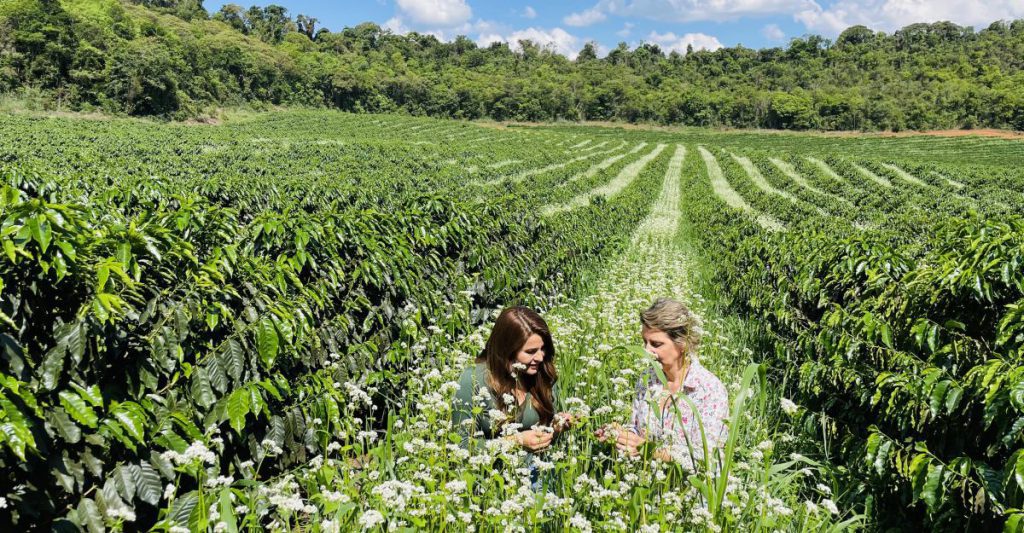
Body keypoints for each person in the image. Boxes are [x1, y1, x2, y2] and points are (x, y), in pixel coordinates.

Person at [599, 298, 729, 469]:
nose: (646, 351)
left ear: (682, 343)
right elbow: (638, 430)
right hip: (646, 483)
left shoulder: (709, 390)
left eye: (656, 344)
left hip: (690, 490)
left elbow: (706, 457)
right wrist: (620, 435)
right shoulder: (647, 379)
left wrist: (649, 450)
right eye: (644, 342)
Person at [452, 306, 573, 454]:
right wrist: (515, 441)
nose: (540, 357)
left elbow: (547, 433)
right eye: (530, 352)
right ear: (507, 350)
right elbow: (460, 445)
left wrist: (557, 426)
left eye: (543, 349)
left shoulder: (542, 374)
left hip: (540, 471)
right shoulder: (473, 379)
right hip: (490, 473)